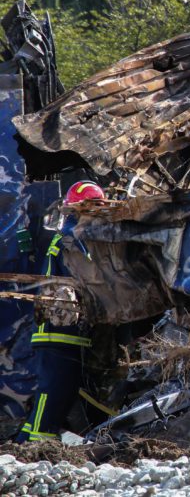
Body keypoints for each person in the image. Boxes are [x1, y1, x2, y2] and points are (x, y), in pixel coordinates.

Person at [17, 181, 115, 442]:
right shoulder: (74, 239)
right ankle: (28, 448)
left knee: (60, 395)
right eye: (95, 208)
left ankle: (26, 443)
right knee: (52, 394)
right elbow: (90, 276)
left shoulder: (67, 235)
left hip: (63, 334)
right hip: (58, 333)